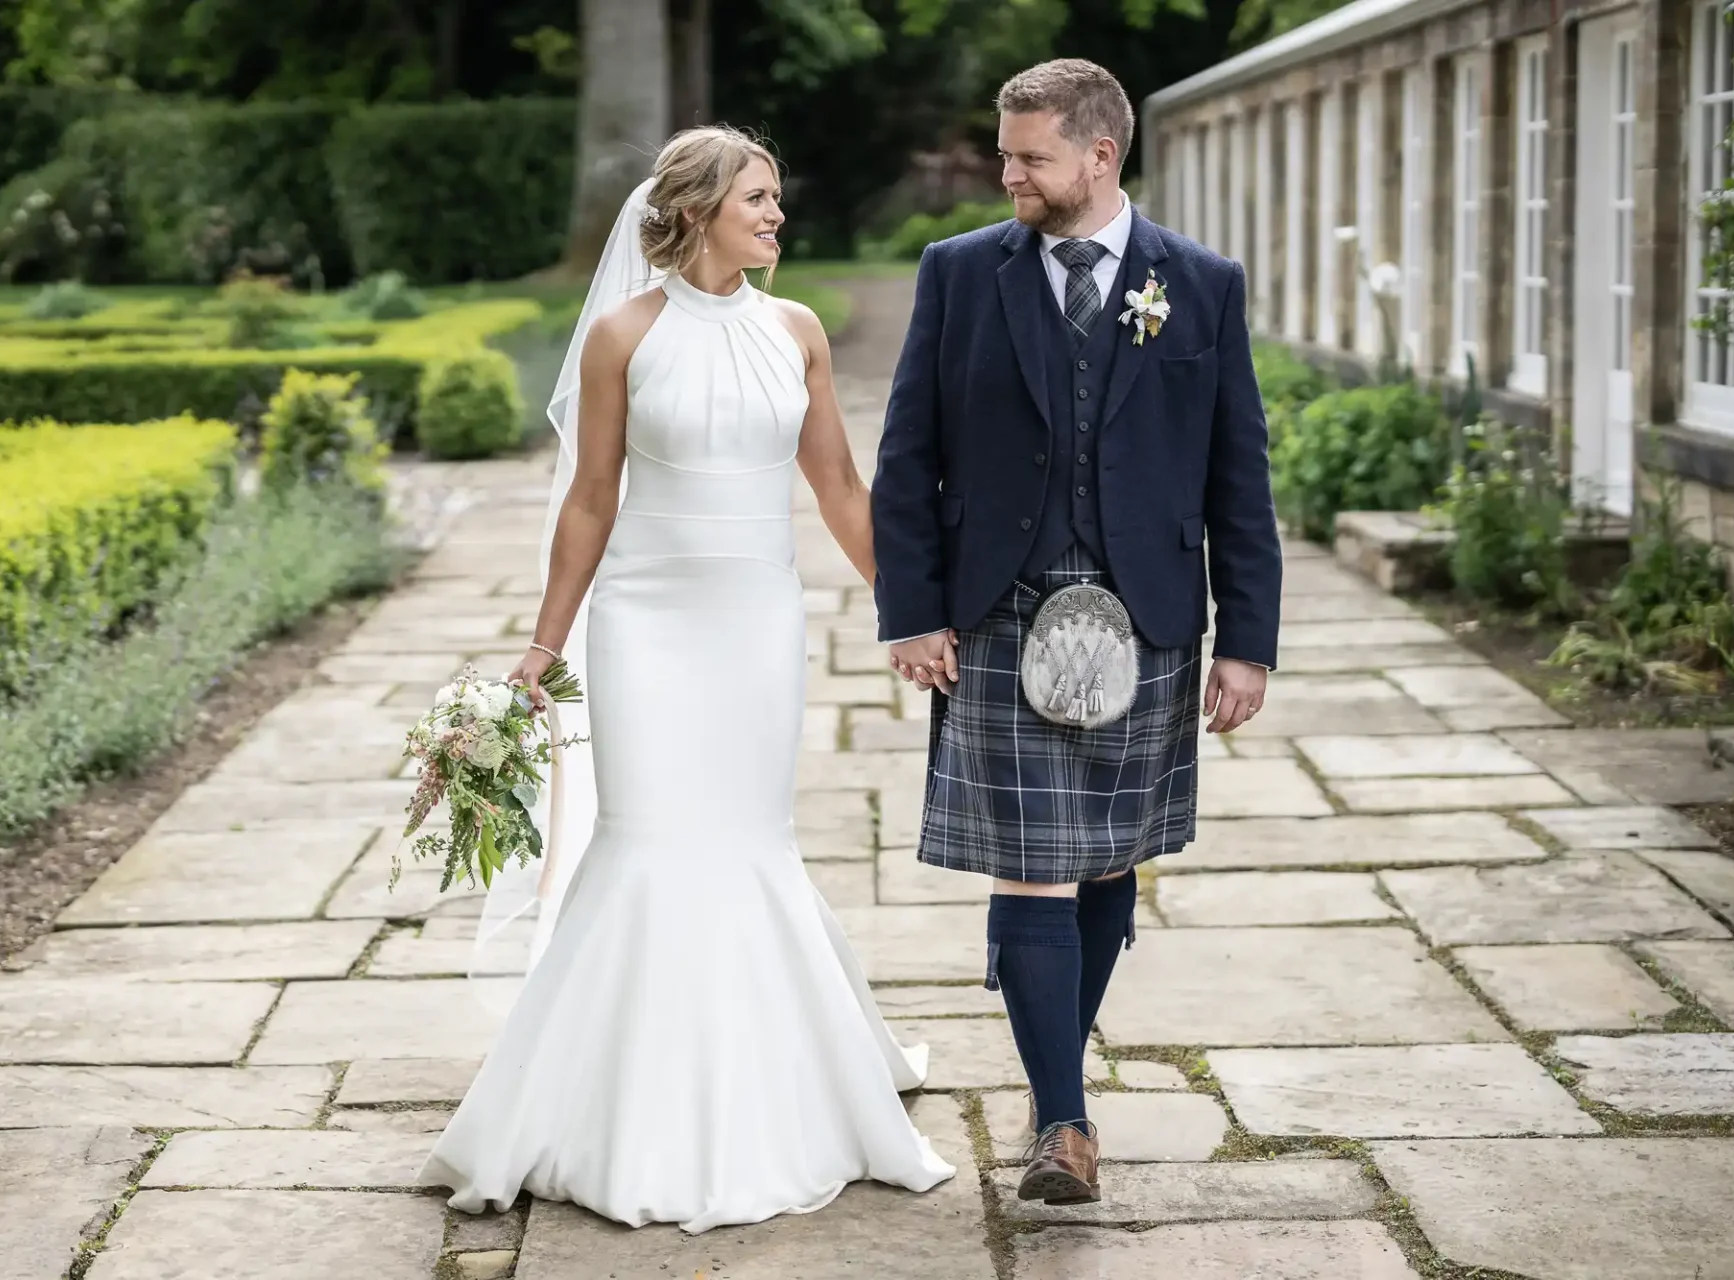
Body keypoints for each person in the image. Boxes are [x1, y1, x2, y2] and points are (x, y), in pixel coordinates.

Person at [417, 126, 955, 1233]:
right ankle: (613, 1100)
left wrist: (912, 612)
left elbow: (842, 486)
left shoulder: (796, 330)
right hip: (646, 627)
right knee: (650, 839)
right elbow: (589, 500)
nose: (777, 216)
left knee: (751, 839)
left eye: (777, 199)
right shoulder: (623, 335)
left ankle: (776, 1080)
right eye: (758, 198)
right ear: (697, 208)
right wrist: (541, 644)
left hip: (757, 625)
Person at [871, 59, 1282, 1206]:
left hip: (1146, 614)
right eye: (1005, 153)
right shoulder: (960, 273)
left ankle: (1052, 1045)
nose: (1007, 173)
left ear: (1100, 156)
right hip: (1000, 607)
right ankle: (1064, 1120)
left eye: (1029, 155)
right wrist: (910, 609)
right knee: (1033, 866)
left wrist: (1247, 636)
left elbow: (1236, 475)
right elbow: (908, 455)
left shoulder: (1199, 283)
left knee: (1106, 857)